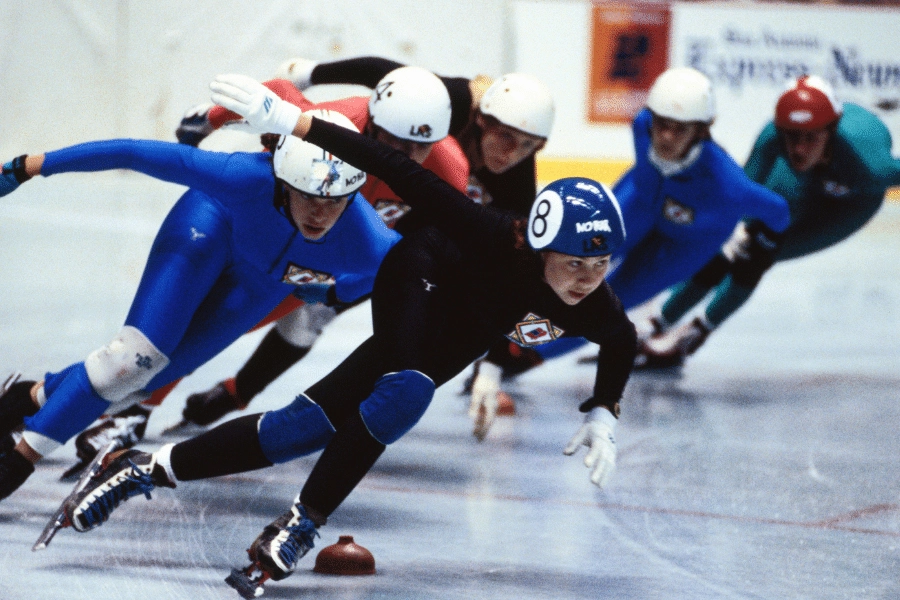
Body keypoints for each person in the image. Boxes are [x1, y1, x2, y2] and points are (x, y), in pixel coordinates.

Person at [59, 74, 633, 597]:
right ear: (536, 244)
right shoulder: (485, 232)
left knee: (297, 431)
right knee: (406, 394)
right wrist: (293, 121)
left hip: (454, 337)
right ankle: (301, 524)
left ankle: (142, 469)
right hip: (417, 276)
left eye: (600, 264)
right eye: (574, 262)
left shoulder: (592, 303)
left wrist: (604, 409)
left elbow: (623, 339)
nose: (586, 279)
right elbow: (399, 168)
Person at [70, 65, 471, 468]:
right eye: (394, 143)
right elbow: (277, 95)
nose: (406, 159)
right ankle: (90, 399)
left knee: (217, 330)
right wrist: (210, 119)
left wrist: (342, 289)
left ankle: (137, 409)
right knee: (170, 322)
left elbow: (426, 249)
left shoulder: (449, 169)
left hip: (315, 258)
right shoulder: (340, 120)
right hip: (260, 224)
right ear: (371, 125)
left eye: (421, 148)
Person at [0, 109, 400, 500]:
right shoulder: (243, 176)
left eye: (335, 201)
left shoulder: (370, 239)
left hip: (265, 281)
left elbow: (403, 276)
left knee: (144, 382)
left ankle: (25, 397)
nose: (319, 213)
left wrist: (336, 293)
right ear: (282, 180)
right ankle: (17, 463)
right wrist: (26, 167)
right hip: (207, 227)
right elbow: (132, 152)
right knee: (133, 360)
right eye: (308, 195)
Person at [153, 56, 555, 443]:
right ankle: (156, 390)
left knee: (309, 314)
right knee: (218, 308)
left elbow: (509, 269)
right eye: (505, 137)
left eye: (528, 146)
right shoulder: (441, 100)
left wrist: (492, 365)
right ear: (480, 119)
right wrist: (310, 73)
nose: (511, 154)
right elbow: (382, 74)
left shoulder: (499, 177)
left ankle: (233, 393)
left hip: (389, 234)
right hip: (338, 200)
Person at [465, 67, 791, 437]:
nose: (665, 136)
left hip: (686, 244)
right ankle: (502, 340)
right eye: (661, 123)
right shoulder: (641, 125)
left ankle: (519, 352)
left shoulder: (729, 185)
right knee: (562, 262)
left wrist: (763, 251)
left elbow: (778, 211)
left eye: (679, 128)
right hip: (643, 202)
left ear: (702, 130)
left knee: (600, 298)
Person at [634, 75, 900, 368]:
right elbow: (740, 192)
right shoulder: (773, 136)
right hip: (804, 180)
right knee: (730, 242)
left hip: (853, 201)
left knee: (761, 252)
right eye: (792, 136)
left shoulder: (873, 168)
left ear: (832, 132)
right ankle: (654, 323)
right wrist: (727, 231)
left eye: (811, 138)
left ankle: (694, 333)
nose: (799, 149)